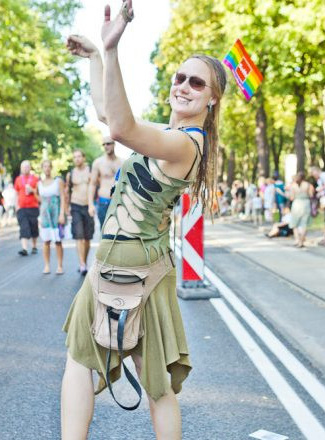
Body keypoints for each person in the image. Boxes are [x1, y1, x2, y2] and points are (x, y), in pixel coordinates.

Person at [62, 3, 227, 438]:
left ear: (212, 98)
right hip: (109, 260)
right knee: (80, 360)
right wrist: (98, 57)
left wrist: (112, 50)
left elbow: (119, 126)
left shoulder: (188, 144)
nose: (184, 86)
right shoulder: (166, 136)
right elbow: (107, 113)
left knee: (155, 382)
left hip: (142, 271)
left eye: (197, 82)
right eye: (179, 77)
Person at [66, 150, 95, 275]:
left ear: (83, 157)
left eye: (79, 156)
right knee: (79, 236)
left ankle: (85, 260)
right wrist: (66, 208)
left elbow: (96, 185)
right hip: (76, 205)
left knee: (87, 238)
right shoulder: (70, 174)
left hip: (88, 206)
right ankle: (82, 264)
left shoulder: (91, 171)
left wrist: (93, 204)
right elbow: (67, 191)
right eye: (74, 157)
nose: (77, 159)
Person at [88, 136, 123, 229]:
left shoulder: (122, 163)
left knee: (119, 232)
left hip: (119, 202)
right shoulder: (98, 162)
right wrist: (91, 204)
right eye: (104, 144)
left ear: (114, 144)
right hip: (103, 202)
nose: (106, 146)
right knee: (104, 232)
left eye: (108, 143)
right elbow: (92, 184)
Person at [38, 160, 66, 275]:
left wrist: (62, 214)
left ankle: (59, 266)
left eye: (49, 166)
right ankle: (47, 265)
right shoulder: (39, 183)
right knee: (46, 241)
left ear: (51, 168)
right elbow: (40, 199)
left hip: (56, 212)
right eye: (45, 166)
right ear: (42, 168)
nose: (47, 168)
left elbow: (63, 197)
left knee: (58, 241)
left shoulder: (58, 181)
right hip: (44, 214)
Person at [14, 160, 39, 256]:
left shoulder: (35, 179)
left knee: (33, 227)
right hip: (22, 207)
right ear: (21, 168)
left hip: (33, 206)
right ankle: (24, 248)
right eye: (23, 167)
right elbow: (16, 193)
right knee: (23, 227)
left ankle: (34, 246)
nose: (25, 169)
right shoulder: (18, 179)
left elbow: (39, 192)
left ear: (30, 168)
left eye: (27, 167)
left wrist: (32, 190)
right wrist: (16, 205)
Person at [288, 172, 315, 248]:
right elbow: (311, 195)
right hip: (305, 204)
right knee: (304, 224)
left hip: (296, 204)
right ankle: (301, 241)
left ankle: (297, 239)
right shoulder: (308, 185)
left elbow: (291, 198)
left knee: (295, 223)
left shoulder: (293, 185)